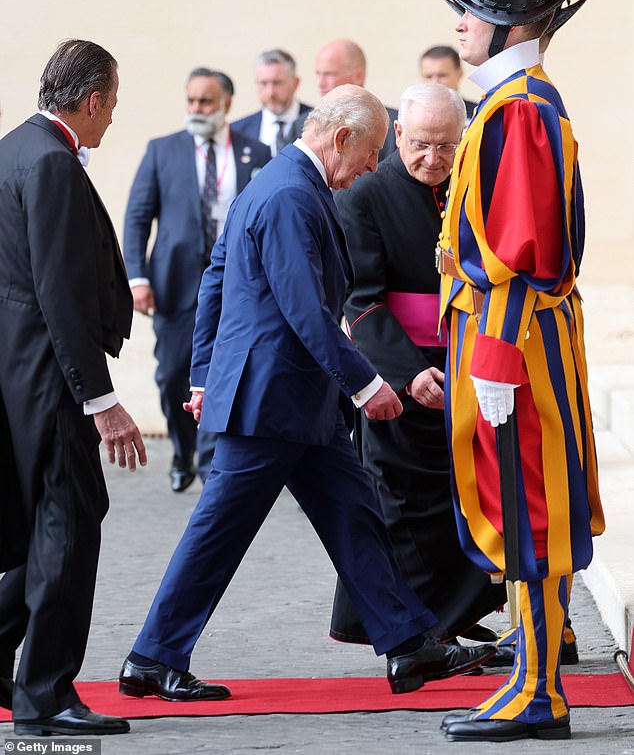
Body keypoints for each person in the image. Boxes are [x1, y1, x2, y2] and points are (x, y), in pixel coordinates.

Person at [118, 85, 495, 704]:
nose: (375, 167)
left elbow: (219, 276)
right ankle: (152, 658)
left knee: (357, 517)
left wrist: (205, 375)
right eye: (373, 152)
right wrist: (369, 383)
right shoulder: (293, 193)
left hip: (295, 402)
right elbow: (306, 312)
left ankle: (408, 645)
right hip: (273, 403)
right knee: (218, 533)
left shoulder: (278, 182)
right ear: (342, 138)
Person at [426, 0, 605, 742]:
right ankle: (532, 680)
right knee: (516, 507)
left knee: (530, 510)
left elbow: (522, 243)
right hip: (508, 334)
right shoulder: (511, 101)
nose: (460, 25)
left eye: (471, 12)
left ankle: (541, 690)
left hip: (513, 339)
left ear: (507, 24)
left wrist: (493, 354)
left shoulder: (521, 108)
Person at [0, 39, 146, 737]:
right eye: (113, 105)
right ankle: (46, 696)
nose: (112, 119)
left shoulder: (12, 149)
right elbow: (59, 291)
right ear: (91, 101)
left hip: (20, 373)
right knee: (66, 531)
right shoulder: (55, 164)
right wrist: (102, 399)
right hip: (56, 381)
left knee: (41, 532)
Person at [329, 83, 504, 648]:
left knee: (464, 491)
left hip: (466, 362)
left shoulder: (472, 186)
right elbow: (362, 299)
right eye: (422, 145)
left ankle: (453, 614)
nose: (434, 160)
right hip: (399, 372)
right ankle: (418, 624)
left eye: (447, 147)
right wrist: (406, 373)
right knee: (403, 504)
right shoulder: (365, 195)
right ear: (398, 135)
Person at [123, 67, 270, 490]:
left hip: (235, 285)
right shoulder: (162, 150)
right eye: (191, 100)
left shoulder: (254, 152)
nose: (196, 108)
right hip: (174, 284)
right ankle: (182, 450)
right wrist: (137, 278)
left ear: (226, 102)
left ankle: (210, 462)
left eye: (205, 101)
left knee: (221, 371)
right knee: (172, 374)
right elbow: (137, 218)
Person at [314, 39, 398, 157]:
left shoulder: (392, 127)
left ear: (358, 76)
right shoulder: (304, 125)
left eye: (329, 74)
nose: (320, 82)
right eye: (318, 74)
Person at [231, 49, 312, 156]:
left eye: (277, 83)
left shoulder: (318, 123)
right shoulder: (237, 131)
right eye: (264, 83)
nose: (270, 93)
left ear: (295, 83)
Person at [419, 44, 478, 117]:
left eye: (442, 75)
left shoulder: (477, 115)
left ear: (459, 73)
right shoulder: (406, 116)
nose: (435, 83)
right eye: (428, 77)